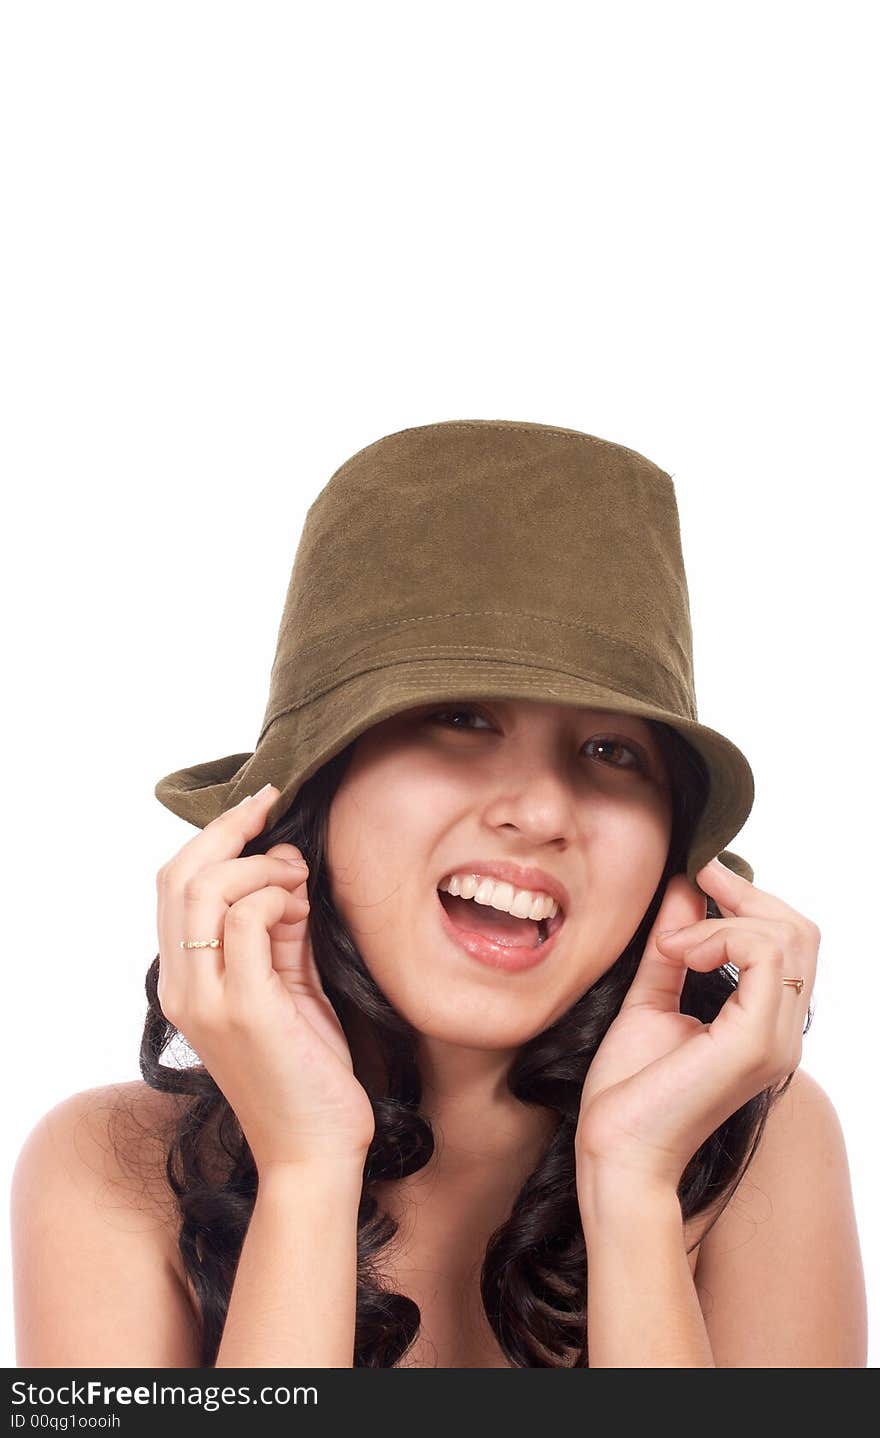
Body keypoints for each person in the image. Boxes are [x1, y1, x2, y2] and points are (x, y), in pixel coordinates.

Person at [10, 420, 867, 1368]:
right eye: (459, 718)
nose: (543, 808)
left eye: (613, 751)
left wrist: (633, 1192)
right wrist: (305, 1171)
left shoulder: (758, 1143)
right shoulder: (103, 1168)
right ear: (315, 790)